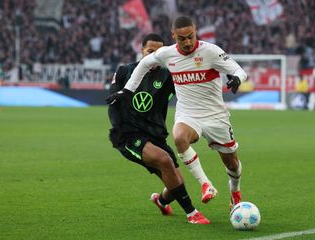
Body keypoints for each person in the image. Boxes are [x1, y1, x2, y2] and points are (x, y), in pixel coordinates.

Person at [106, 16, 248, 210]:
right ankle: (206, 185)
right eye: (182, 38)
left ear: (195, 31)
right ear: (174, 36)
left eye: (191, 36)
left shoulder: (211, 51)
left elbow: (238, 70)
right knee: (179, 137)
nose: (188, 42)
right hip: (188, 114)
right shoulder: (167, 54)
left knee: (232, 165)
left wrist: (237, 79)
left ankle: (235, 193)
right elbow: (144, 64)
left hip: (215, 116)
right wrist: (128, 90)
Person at [106, 33, 209, 224]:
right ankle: (192, 213)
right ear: (142, 51)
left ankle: (161, 201)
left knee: (177, 184)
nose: (155, 55)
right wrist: (120, 130)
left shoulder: (168, 75)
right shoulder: (124, 71)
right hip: (129, 135)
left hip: (156, 136)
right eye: (151, 51)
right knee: (164, 160)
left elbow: (189, 88)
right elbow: (113, 102)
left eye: (159, 52)